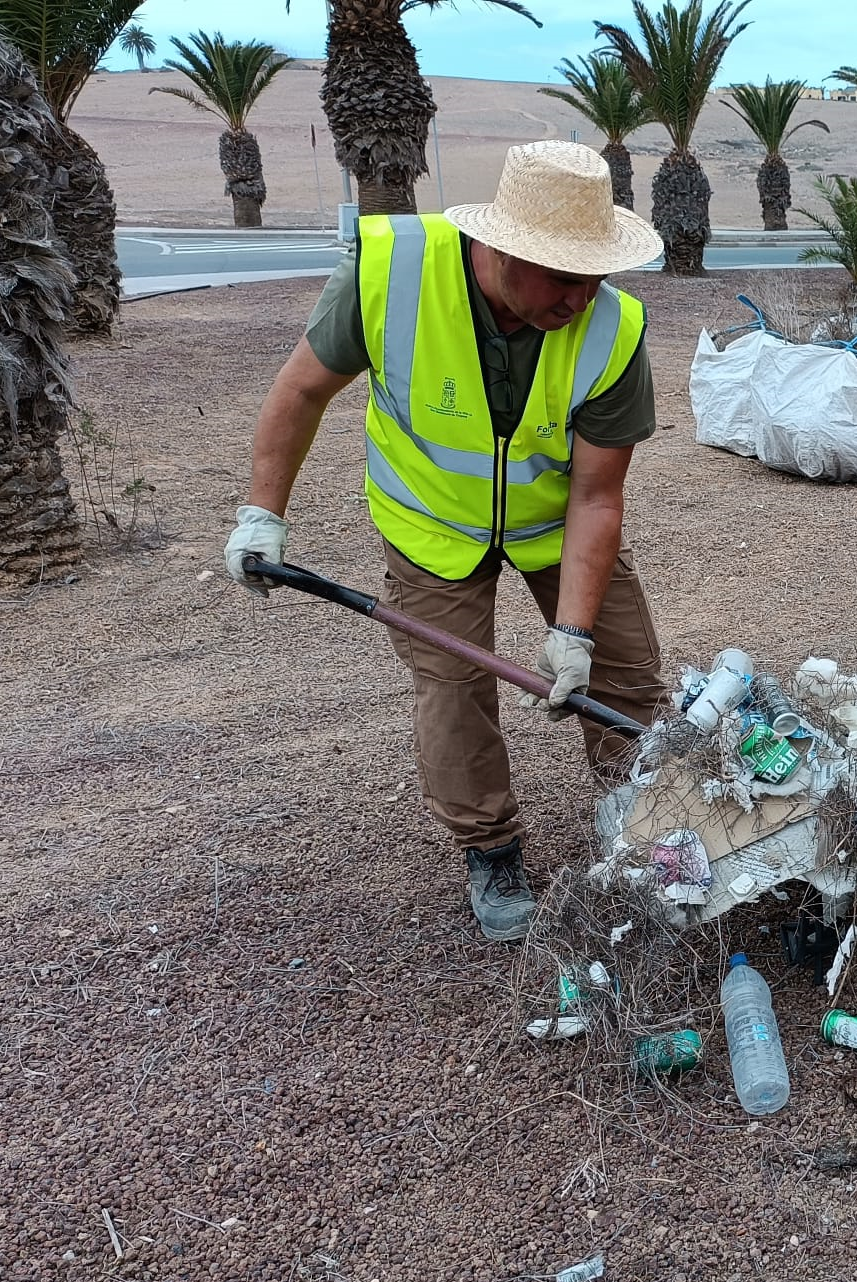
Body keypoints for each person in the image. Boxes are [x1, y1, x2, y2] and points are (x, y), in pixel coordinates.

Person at [224, 141, 666, 943]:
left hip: (551, 521)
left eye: (594, 274)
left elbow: (599, 497)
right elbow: (302, 390)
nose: (582, 297)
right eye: (565, 276)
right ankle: (491, 848)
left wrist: (571, 634)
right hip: (430, 523)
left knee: (626, 672)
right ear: (499, 249)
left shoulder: (613, 327)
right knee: (454, 685)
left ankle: (640, 815)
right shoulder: (390, 274)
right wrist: (263, 513)